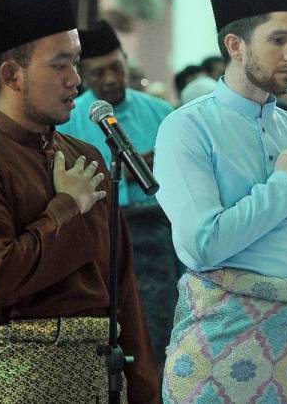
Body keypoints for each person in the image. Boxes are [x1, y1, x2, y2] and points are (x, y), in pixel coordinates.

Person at [0, 0, 160, 403]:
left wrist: (145, 390)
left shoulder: (87, 155)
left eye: (75, 62)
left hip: (99, 372)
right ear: (11, 74)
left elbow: (123, 288)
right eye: (60, 65)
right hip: (12, 375)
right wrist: (66, 207)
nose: (77, 80)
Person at [154, 0, 287, 403]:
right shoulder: (187, 128)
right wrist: (283, 188)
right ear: (235, 45)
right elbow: (204, 244)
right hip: (221, 340)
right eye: (277, 40)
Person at [58, 19, 177, 373]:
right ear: (83, 75)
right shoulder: (70, 119)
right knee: (109, 333)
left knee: (157, 333)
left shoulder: (161, 113)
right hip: (98, 236)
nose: (109, 78)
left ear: (126, 60)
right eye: (97, 72)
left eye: (115, 67)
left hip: (154, 237)